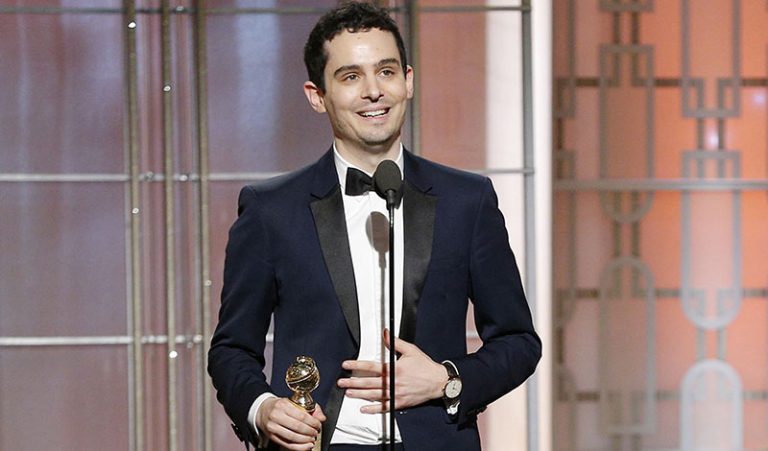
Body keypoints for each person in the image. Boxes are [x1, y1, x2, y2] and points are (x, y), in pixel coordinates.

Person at [207, 2, 541, 450]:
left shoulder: (468, 201)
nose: (373, 91)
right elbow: (231, 350)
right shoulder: (271, 210)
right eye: (350, 77)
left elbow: (519, 342)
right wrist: (262, 409)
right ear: (317, 95)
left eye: (386, 72)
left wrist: (447, 380)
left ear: (408, 81)